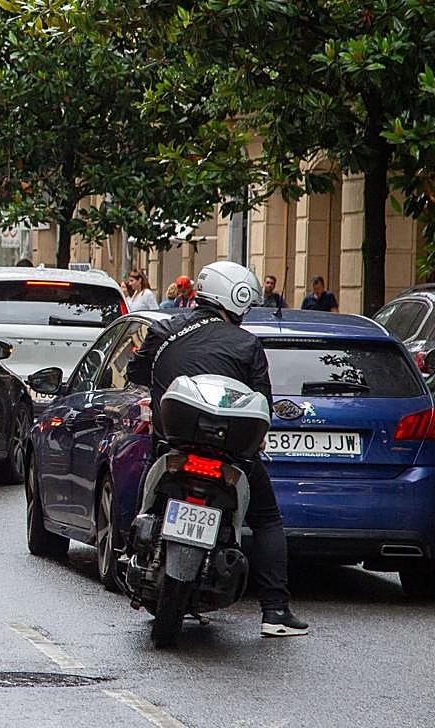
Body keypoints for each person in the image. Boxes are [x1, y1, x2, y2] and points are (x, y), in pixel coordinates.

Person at [127, 260, 308, 638]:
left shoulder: (164, 328)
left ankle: (133, 555)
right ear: (237, 298)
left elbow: (136, 374)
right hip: (229, 457)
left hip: (171, 447)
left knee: (145, 489)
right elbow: (264, 404)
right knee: (267, 519)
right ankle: (275, 610)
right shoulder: (246, 343)